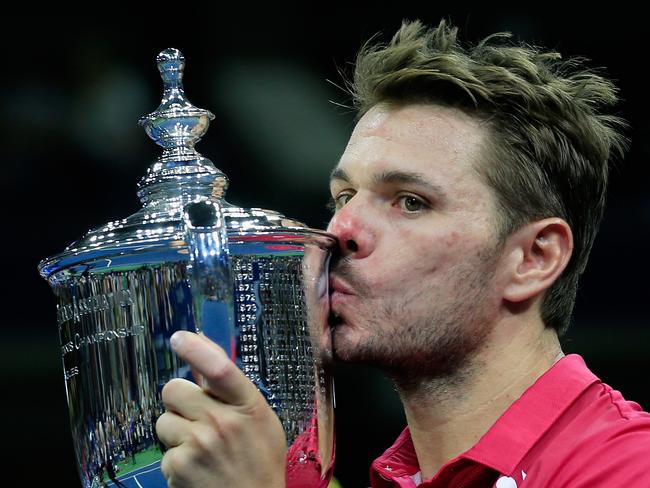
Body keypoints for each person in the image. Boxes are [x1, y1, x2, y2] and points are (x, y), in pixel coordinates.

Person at [154, 19, 650, 487]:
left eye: (410, 202)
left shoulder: (626, 465)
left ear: (533, 259)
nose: (339, 230)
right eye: (343, 197)